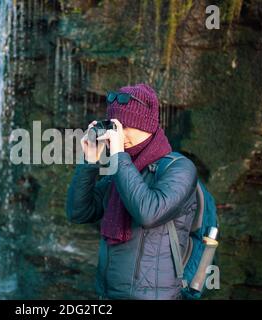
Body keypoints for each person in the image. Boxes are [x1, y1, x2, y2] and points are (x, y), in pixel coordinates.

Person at [66, 83, 198, 300]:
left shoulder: (179, 168)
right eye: (114, 127)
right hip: (107, 294)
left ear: (145, 125)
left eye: (123, 126)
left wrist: (118, 155)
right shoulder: (121, 169)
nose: (117, 134)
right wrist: (89, 161)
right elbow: (79, 212)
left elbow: (148, 212)